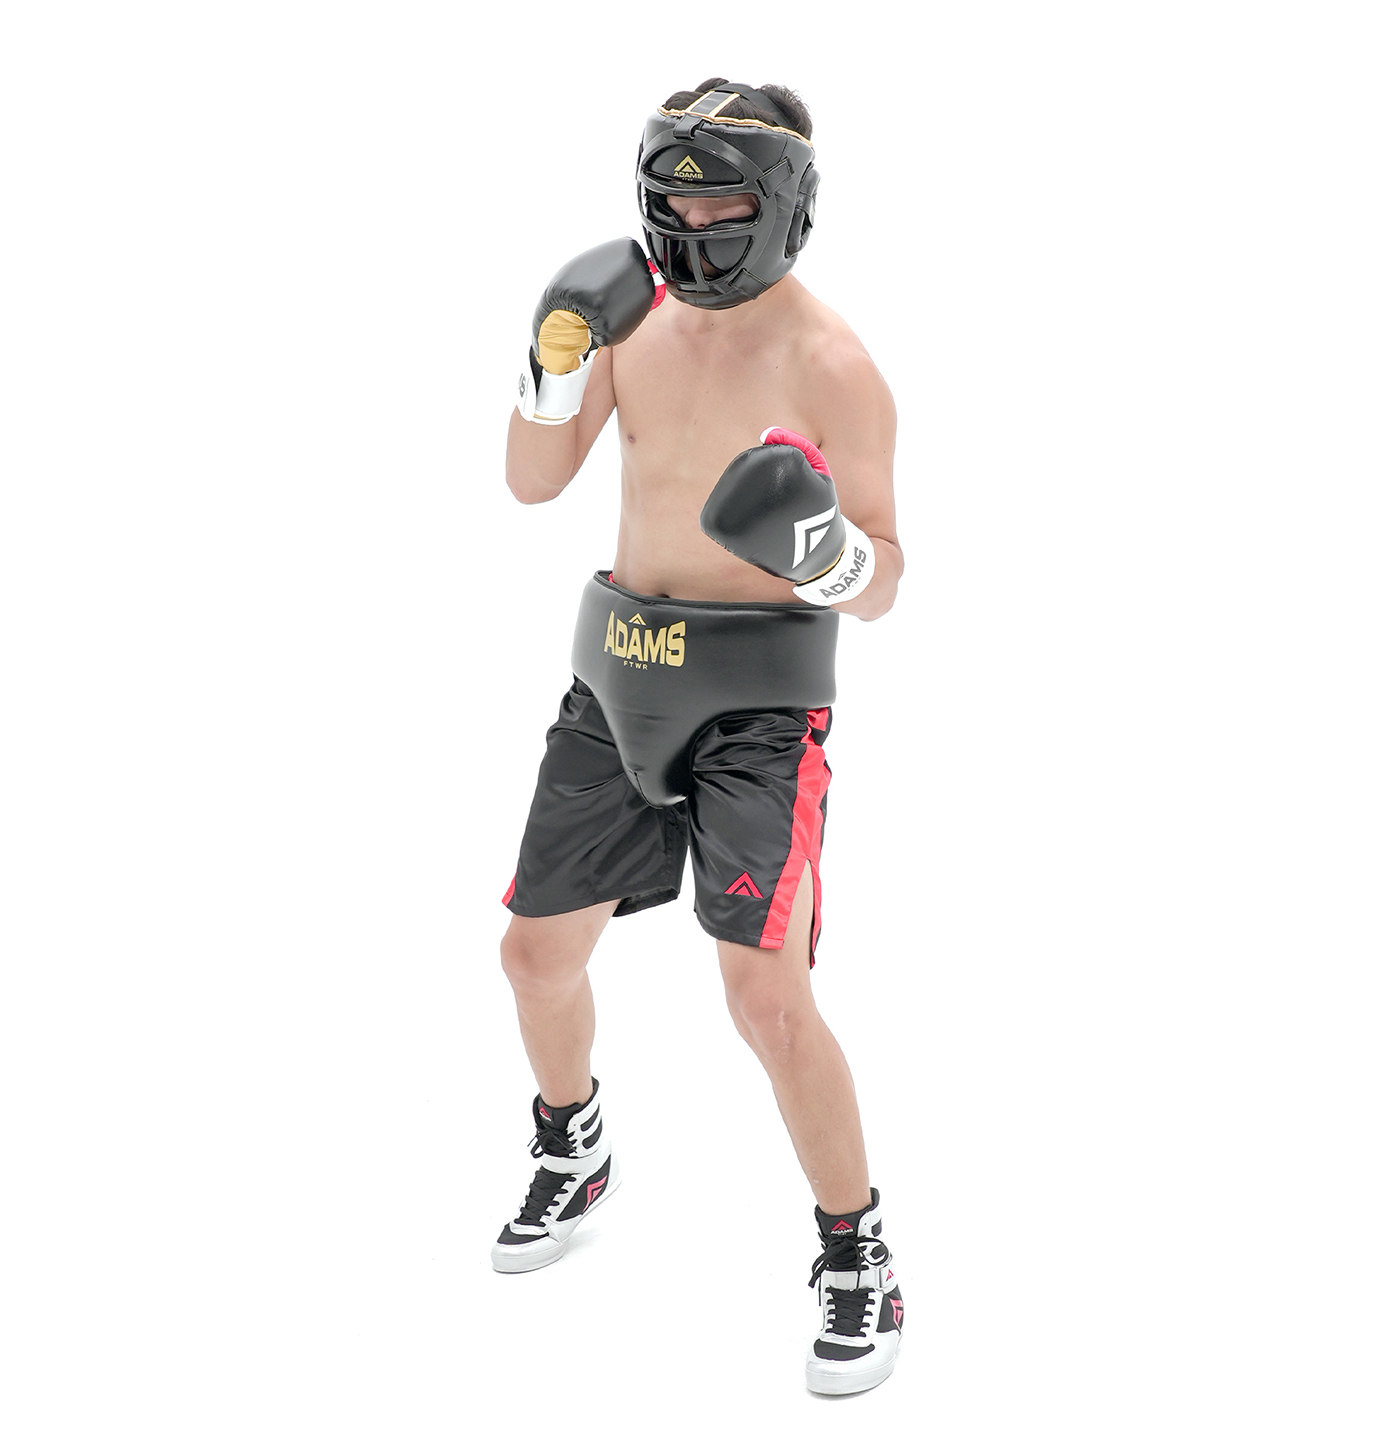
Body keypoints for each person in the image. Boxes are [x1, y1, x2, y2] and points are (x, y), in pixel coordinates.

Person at [493, 78, 905, 1396]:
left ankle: (858, 1252)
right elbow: (533, 481)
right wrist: (552, 373)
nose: (691, 228)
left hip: (758, 712)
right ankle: (574, 1144)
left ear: (777, 205)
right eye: (673, 204)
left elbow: (886, 579)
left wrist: (827, 553)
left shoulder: (835, 367)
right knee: (532, 956)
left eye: (720, 204)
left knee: (766, 999)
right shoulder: (633, 322)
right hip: (616, 677)